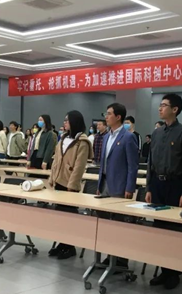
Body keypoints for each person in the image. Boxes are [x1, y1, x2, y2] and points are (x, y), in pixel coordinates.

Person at [146, 94, 182, 290]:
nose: (160, 108)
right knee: (159, 229)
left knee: (173, 230)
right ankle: (163, 270)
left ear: (175, 109)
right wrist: (148, 187)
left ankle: (173, 272)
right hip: (157, 185)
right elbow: (151, 162)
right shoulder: (157, 133)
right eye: (160, 105)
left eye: (164, 105)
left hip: (175, 186)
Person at [97, 102, 139, 268]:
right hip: (105, 184)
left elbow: (133, 166)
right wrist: (99, 184)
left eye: (109, 114)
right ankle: (109, 255)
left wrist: (129, 187)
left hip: (120, 186)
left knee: (118, 223)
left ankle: (120, 261)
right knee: (105, 222)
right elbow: (103, 163)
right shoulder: (106, 136)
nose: (106, 117)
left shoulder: (128, 137)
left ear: (118, 117)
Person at [48, 110, 93, 260]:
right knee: (60, 216)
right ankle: (62, 243)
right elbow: (56, 160)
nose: (64, 123)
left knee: (69, 217)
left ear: (74, 122)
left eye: (67, 120)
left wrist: (72, 185)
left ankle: (69, 246)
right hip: (58, 181)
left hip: (69, 184)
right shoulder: (63, 138)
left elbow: (79, 166)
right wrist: (52, 178)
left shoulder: (82, 142)